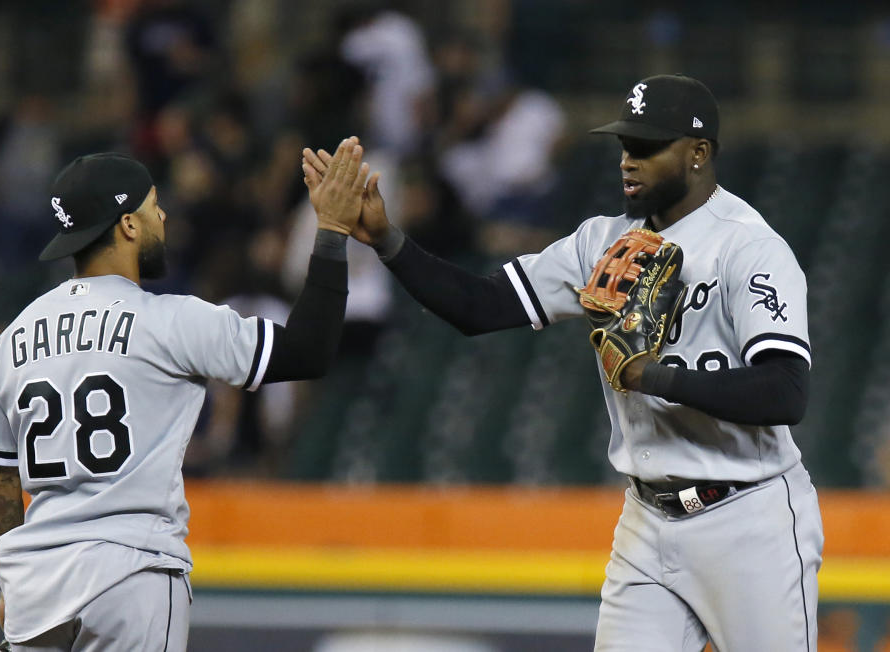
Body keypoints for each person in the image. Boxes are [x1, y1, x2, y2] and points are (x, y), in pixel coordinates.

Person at [303, 75, 822, 651]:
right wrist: (385, 239)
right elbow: (480, 306)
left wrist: (651, 376)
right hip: (647, 519)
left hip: (748, 518)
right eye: (626, 145)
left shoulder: (749, 248)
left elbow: (785, 392)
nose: (629, 160)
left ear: (699, 153)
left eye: (648, 147)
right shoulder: (602, 242)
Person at [0, 137, 369, 651]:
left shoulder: (13, 340)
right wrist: (333, 232)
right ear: (127, 225)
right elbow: (308, 352)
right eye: (153, 205)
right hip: (133, 573)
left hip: (37, 590)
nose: (163, 216)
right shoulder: (171, 320)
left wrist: (13, 583)